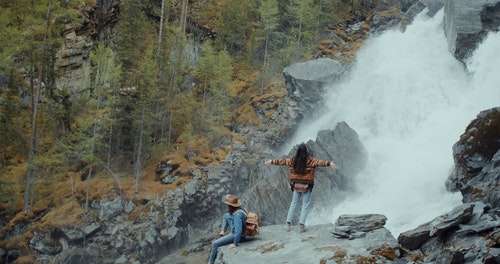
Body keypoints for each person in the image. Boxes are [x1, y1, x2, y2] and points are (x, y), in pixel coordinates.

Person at [265, 143, 336, 233]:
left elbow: (282, 162)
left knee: (293, 203)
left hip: (296, 185)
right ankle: (301, 226)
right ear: (306, 151)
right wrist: (329, 163)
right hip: (307, 185)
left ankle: (287, 224)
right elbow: (320, 162)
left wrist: (271, 161)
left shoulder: (293, 160)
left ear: (297, 151)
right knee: (305, 205)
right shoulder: (310, 160)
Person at [208, 194, 247, 264]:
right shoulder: (241, 208)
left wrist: (235, 243)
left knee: (215, 244)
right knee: (226, 215)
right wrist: (228, 197)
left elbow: (238, 231)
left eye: (229, 205)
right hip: (237, 230)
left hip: (236, 235)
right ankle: (223, 231)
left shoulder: (237, 216)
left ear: (232, 206)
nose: (228, 206)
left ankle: (211, 262)